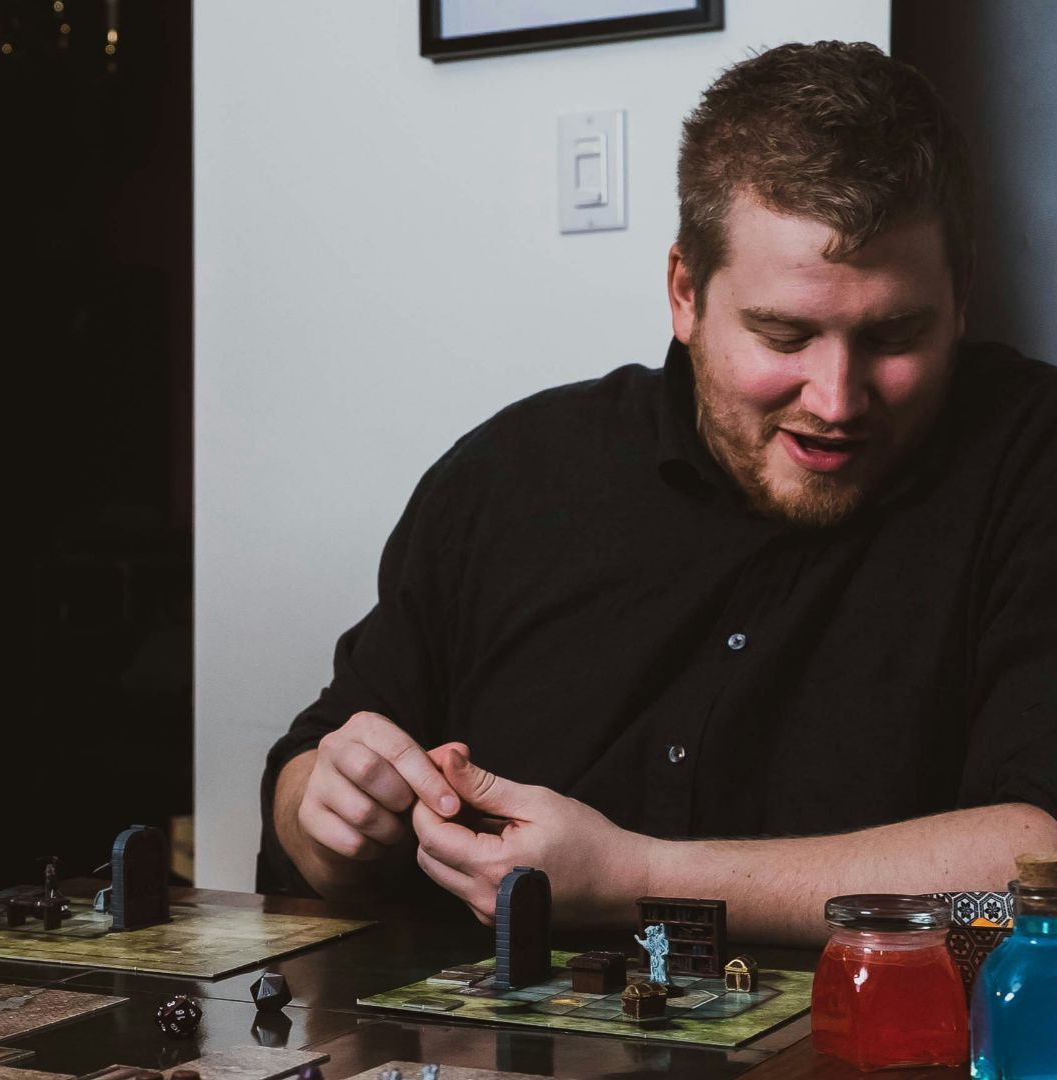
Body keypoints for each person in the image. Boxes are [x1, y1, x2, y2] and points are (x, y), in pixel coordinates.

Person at [262, 41, 1057, 946]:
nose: (838, 400)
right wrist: (325, 818)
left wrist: (639, 882)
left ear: (962, 298)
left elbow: (1040, 876)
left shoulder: (1034, 460)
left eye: (895, 336)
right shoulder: (508, 474)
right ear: (685, 292)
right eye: (784, 336)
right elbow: (310, 775)